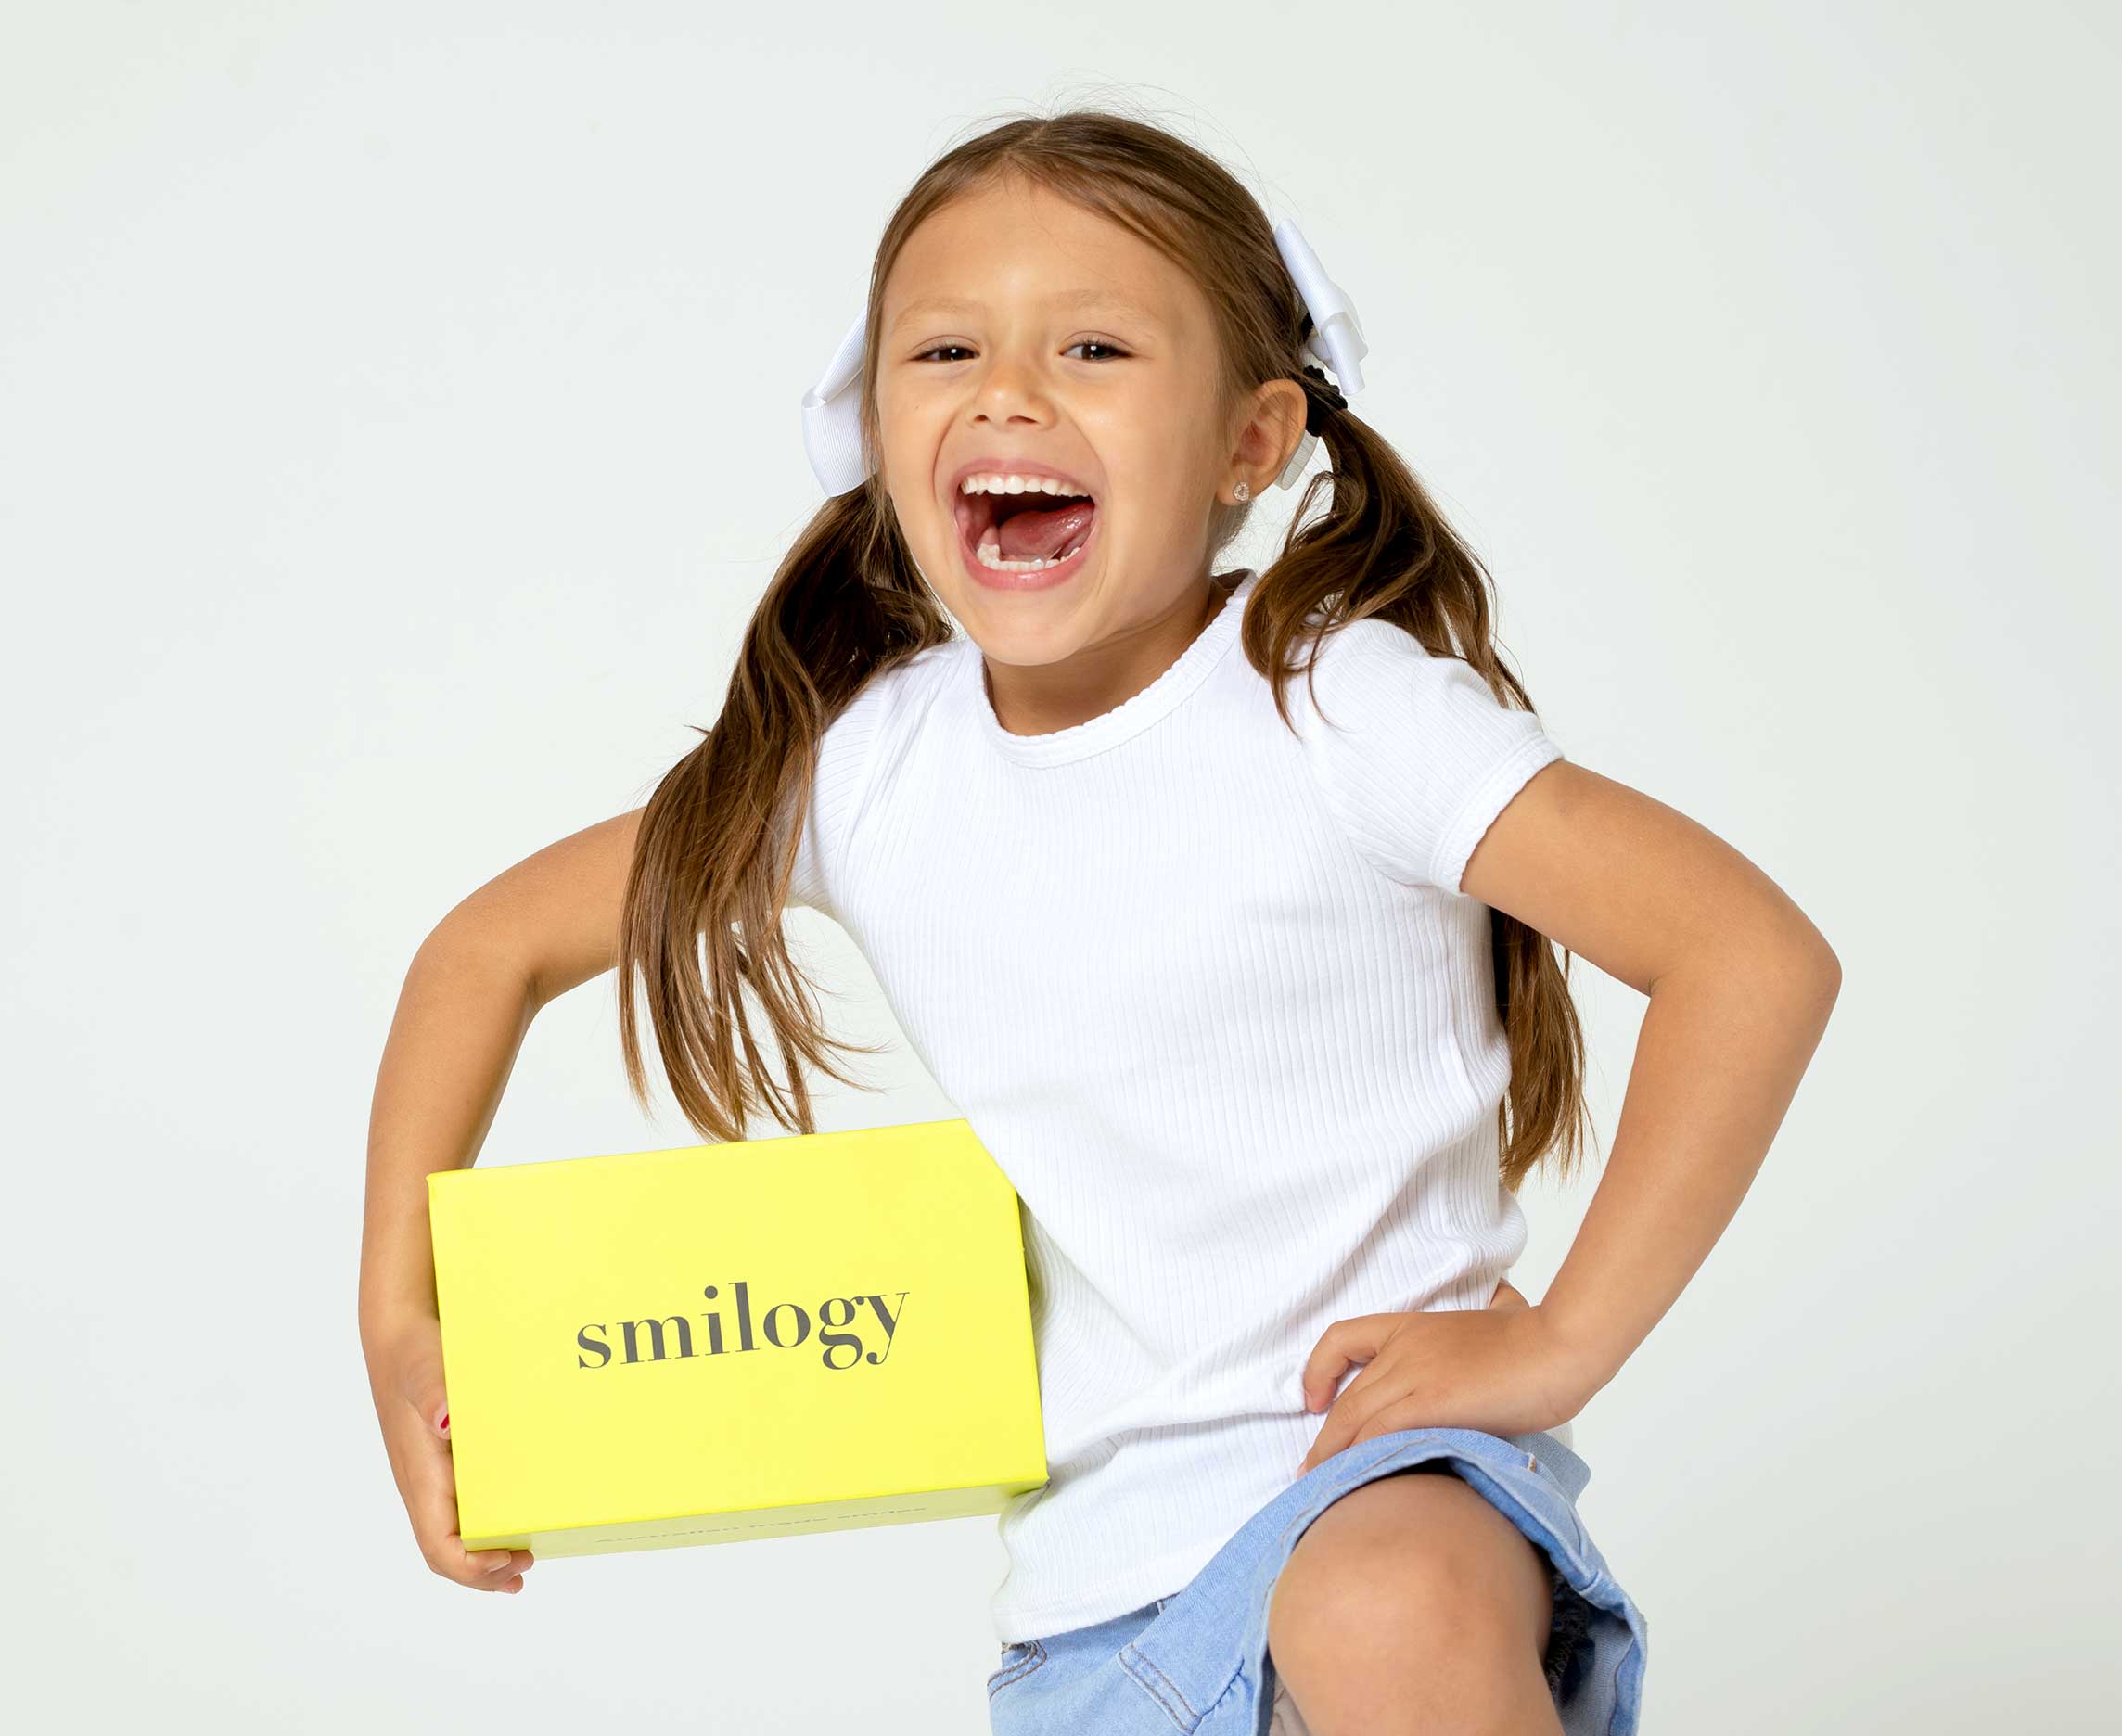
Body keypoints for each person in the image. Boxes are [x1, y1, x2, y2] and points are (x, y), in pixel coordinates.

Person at [360, 108, 1839, 1736]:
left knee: (1382, 1600)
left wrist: (1558, 1344)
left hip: (1384, 1476)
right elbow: (480, 952)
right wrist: (401, 1320)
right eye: (944, 349)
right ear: (871, 430)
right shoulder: (868, 772)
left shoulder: (1337, 706)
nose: (1010, 392)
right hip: (1099, 1610)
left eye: (1093, 346)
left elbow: (1747, 955)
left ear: (1250, 441)